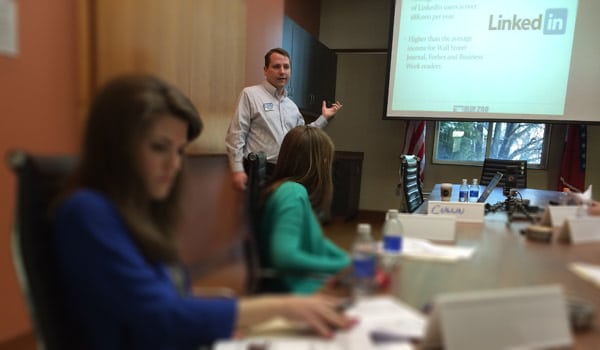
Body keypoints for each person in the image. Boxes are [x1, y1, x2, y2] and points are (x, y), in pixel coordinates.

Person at [53, 74, 355, 349]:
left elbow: (168, 299)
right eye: (159, 147)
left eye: (180, 151)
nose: (174, 164)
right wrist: (283, 307)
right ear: (115, 147)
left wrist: (220, 321)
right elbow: (158, 317)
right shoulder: (87, 212)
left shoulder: (138, 214)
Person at [225, 47, 343, 191]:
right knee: (259, 213)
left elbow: (302, 138)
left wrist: (324, 117)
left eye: (286, 67)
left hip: (287, 172)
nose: (282, 71)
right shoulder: (250, 95)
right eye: (276, 66)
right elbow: (236, 134)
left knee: (281, 212)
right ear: (265, 70)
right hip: (259, 171)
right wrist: (237, 168)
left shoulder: (291, 106)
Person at [257, 126, 350, 294]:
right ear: (322, 162)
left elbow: (317, 241)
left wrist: (348, 261)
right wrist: (341, 266)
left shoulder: (289, 189)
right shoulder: (292, 193)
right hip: (296, 292)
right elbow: (284, 256)